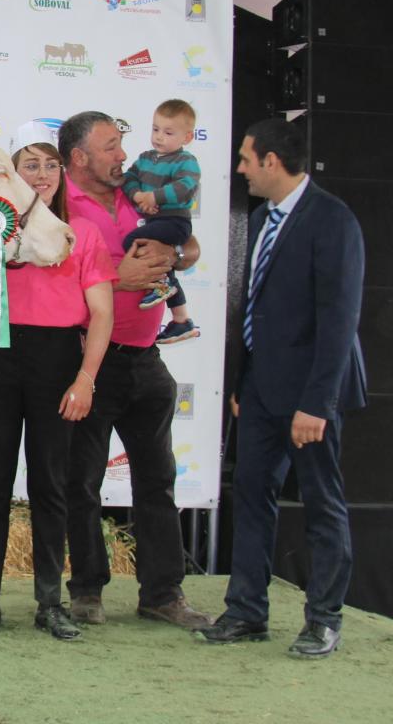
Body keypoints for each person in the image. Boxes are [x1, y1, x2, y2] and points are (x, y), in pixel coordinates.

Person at [0, 121, 115, 641]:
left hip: (57, 360)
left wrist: (85, 380)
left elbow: (101, 314)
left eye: (49, 164)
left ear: (63, 171)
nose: (40, 175)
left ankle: (49, 603)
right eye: (28, 165)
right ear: (12, 173)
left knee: (50, 486)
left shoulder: (83, 230)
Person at [196, 119, 366, 659]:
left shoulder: (333, 219)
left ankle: (324, 620)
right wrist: (245, 383)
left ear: (272, 161)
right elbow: (257, 312)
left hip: (311, 398)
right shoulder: (265, 217)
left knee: (321, 505)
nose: (241, 169)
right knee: (250, 498)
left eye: (246, 159)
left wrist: (316, 404)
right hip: (263, 392)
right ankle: (247, 611)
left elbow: (338, 320)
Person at [57, 111, 211, 630]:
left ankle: (163, 594)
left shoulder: (139, 191)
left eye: (122, 144)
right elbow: (44, 281)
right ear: (79, 158)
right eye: (109, 147)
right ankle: (86, 592)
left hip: (147, 360)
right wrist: (113, 276)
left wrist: (180, 253)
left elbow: (188, 244)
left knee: (158, 481)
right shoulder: (56, 205)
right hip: (89, 362)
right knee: (82, 483)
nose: (123, 155)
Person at [122, 99, 202, 345]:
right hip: (154, 220)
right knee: (154, 258)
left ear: (187, 137)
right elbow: (129, 178)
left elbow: (184, 187)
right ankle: (180, 319)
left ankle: (163, 284)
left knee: (133, 241)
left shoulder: (186, 161)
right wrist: (138, 195)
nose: (159, 137)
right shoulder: (145, 158)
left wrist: (153, 197)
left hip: (175, 222)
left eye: (168, 132)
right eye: (155, 129)